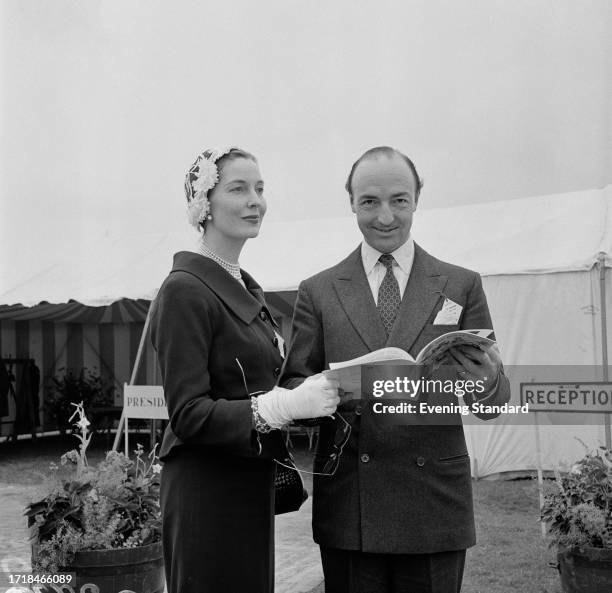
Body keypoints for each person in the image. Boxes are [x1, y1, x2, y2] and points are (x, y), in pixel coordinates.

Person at [279, 146, 511, 593]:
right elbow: (292, 386)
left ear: (417, 198)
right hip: (352, 505)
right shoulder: (318, 291)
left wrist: (486, 383)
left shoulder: (462, 284)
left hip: (433, 503)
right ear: (351, 202)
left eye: (398, 200)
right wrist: (326, 394)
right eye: (370, 202)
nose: (385, 216)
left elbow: (494, 402)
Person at [150, 146, 339, 593]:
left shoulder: (242, 286)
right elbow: (188, 413)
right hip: (207, 492)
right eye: (238, 188)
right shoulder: (185, 291)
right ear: (204, 204)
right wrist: (280, 406)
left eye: (259, 188)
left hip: (247, 486)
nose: (256, 200)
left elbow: (260, 381)